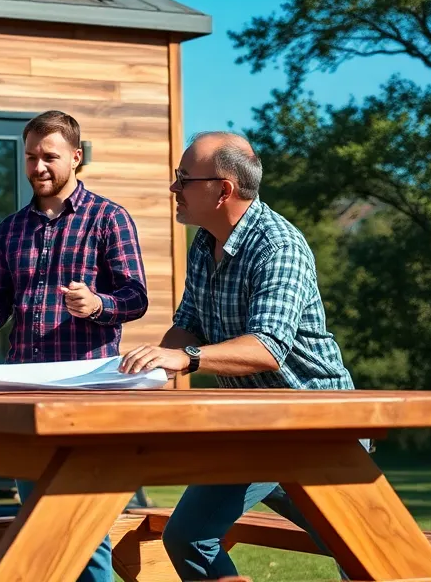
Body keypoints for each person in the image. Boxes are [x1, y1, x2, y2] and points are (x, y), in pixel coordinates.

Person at [119, 131, 358, 581]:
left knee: (362, 551)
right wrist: (141, 370)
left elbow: (266, 348)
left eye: (182, 178)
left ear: (222, 189)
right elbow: (189, 324)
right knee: (188, 535)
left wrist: (184, 359)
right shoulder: (204, 243)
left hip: (318, 428)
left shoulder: (278, 246)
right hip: (257, 428)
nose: (174, 189)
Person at [0, 110, 148, 582]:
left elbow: (135, 297)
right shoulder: (10, 229)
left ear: (76, 157)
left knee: (84, 530)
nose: (38, 167)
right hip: (24, 390)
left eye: (49, 156)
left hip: (87, 390)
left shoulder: (109, 219)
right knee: (41, 521)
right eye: (30, 157)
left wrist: (97, 303)